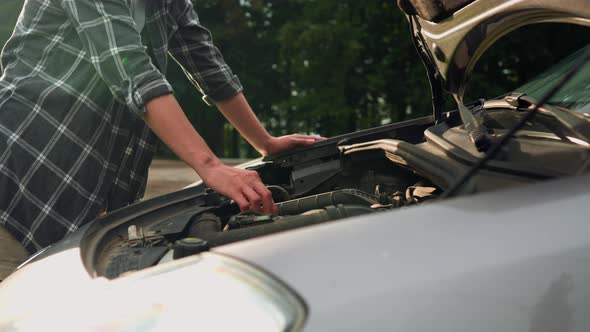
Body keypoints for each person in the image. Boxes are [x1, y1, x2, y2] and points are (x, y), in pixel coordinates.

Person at [0, 0, 323, 277]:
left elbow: (207, 64)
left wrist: (265, 142)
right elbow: (129, 68)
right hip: (20, 187)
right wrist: (210, 166)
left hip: (86, 200)